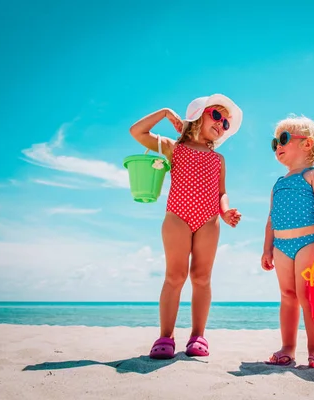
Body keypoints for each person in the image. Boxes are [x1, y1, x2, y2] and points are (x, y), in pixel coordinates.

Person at [130, 94, 243, 359]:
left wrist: (225, 212)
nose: (221, 123)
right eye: (216, 115)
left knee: (202, 278)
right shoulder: (174, 148)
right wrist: (166, 112)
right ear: (197, 115)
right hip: (177, 217)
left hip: (209, 219)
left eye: (226, 123)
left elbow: (221, 192)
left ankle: (197, 336)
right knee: (175, 276)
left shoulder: (218, 159)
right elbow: (137, 132)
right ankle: (166, 336)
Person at [261, 115, 314, 368]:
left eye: (283, 139)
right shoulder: (278, 183)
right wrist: (267, 248)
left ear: (307, 144)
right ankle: (287, 349)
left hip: (309, 242)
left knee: (309, 295)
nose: (277, 146)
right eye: (274, 143)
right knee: (287, 295)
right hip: (281, 246)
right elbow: (271, 218)